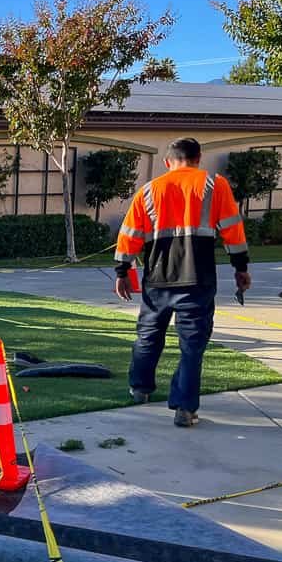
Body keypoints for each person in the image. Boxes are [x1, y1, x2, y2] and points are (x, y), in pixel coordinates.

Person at [114, 137, 250, 428]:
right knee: (192, 345)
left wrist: (122, 271)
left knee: (148, 335)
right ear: (199, 159)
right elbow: (233, 230)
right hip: (198, 280)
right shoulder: (215, 185)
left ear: (167, 162)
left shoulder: (149, 190)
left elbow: (129, 235)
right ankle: (185, 409)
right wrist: (241, 268)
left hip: (157, 279)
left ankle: (139, 388)